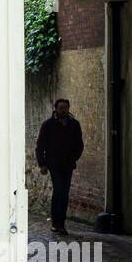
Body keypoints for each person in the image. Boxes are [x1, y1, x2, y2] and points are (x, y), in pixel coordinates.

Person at [35, 98, 84, 235]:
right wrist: (42, 164)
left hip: (68, 164)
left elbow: (79, 144)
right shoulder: (48, 125)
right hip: (54, 164)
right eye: (61, 108)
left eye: (66, 107)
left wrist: (74, 157)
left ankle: (61, 223)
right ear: (56, 109)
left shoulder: (74, 124)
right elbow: (40, 146)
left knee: (65, 193)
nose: (64, 110)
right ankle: (56, 223)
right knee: (58, 191)